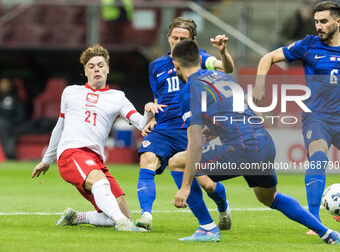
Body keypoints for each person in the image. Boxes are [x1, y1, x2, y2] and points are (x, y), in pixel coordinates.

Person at [171, 39, 340, 244]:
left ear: (176, 65)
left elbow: (195, 144)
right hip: (264, 144)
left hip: (241, 149)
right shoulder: (222, 78)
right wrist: (212, 130)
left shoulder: (189, 90)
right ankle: (327, 233)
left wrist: (185, 187)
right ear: (199, 58)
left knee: (178, 163)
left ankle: (207, 228)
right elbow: (238, 113)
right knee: (269, 197)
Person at [32, 44, 165, 232]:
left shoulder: (117, 97)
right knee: (102, 186)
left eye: (101, 65)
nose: (97, 69)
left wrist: (148, 111)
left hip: (95, 159)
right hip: (71, 153)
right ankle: (124, 225)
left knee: (119, 211)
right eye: (92, 66)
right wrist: (46, 160)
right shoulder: (70, 92)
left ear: (108, 69)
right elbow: (59, 127)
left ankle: (77, 217)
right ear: (85, 71)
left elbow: (142, 124)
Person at [136, 16, 234, 231]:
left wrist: (223, 52)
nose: (178, 42)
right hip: (163, 129)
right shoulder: (155, 66)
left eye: (183, 38)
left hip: (192, 128)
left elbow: (226, 68)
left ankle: (222, 206)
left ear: (193, 41)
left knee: (207, 183)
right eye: (174, 37)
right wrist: (151, 117)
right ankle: (146, 217)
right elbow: (158, 98)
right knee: (147, 159)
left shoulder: (201, 58)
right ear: (168, 37)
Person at [252, 0, 340, 233]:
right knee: (318, 158)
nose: (319, 26)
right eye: (316, 22)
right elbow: (267, 58)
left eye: (324, 21)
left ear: (338, 21)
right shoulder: (308, 45)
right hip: (317, 117)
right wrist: (260, 86)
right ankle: (315, 221)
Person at [0, 77, 26, 159]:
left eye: (5, 84)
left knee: (2, 124)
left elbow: (21, 116)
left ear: (10, 86)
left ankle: (9, 153)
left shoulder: (15, 99)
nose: (3, 86)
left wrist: (10, 123)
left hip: (11, 126)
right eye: (2, 84)